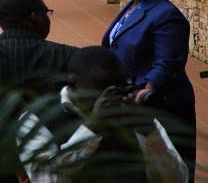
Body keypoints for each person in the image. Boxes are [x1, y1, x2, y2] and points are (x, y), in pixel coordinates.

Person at [17, 46, 188, 182]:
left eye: (118, 86)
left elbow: (177, 179)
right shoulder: (37, 118)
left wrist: (148, 131)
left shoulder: (134, 116)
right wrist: (92, 127)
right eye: (101, 88)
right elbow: (47, 179)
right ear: (73, 84)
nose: (112, 95)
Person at [101, 0, 196, 180]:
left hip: (161, 104)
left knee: (169, 167)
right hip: (132, 98)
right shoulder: (133, 6)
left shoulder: (166, 15)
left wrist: (145, 96)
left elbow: (167, 65)